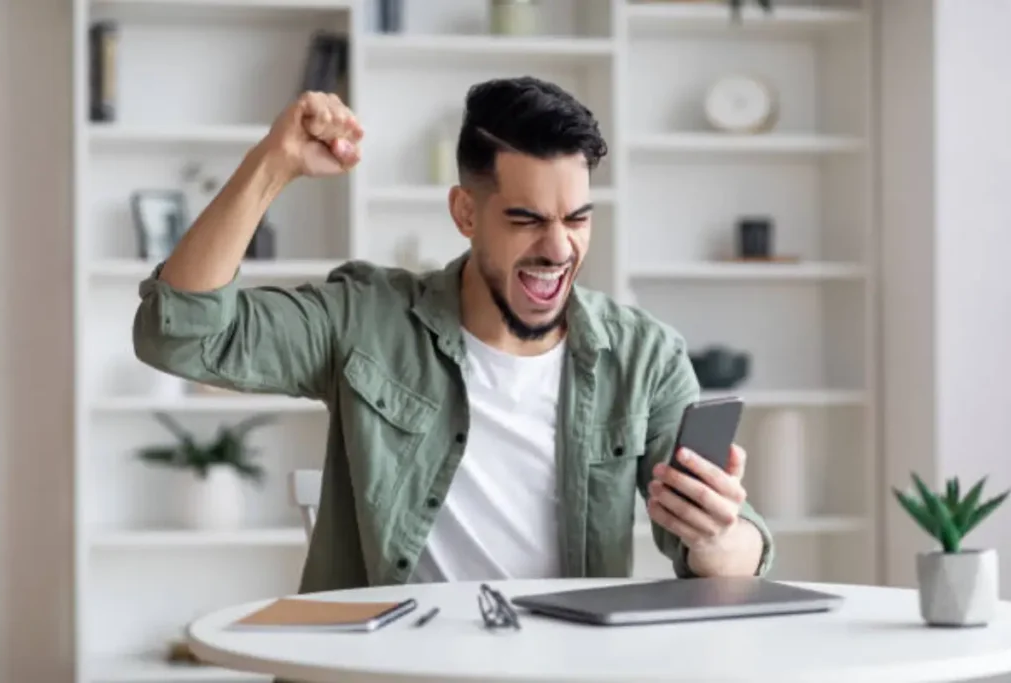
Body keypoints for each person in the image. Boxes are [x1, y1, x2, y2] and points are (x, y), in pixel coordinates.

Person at [132, 76, 774, 592]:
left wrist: (718, 537)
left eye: (577, 218)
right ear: (466, 212)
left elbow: (736, 552)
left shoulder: (645, 356)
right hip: (393, 670)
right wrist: (270, 166)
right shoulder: (368, 319)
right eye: (526, 219)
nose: (558, 248)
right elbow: (180, 334)